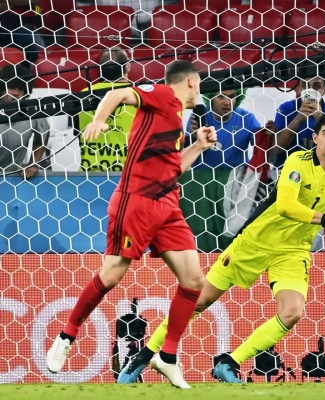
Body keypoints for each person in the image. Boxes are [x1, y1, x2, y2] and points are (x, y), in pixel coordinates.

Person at [116, 114, 325, 384]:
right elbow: (286, 206)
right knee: (199, 301)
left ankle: (228, 363)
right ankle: (144, 356)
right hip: (256, 242)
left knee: (292, 312)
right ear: (315, 138)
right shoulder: (298, 162)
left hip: (293, 252)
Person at [45, 60, 218, 389]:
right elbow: (120, 94)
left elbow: (173, 169)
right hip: (137, 201)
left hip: (168, 205)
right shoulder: (163, 95)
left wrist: (198, 146)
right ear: (192, 82)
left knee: (194, 281)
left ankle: (167, 357)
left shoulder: (175, 119)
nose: (201, 94)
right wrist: (99, 119)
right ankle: (66, 337)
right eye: (200, 86)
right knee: (112, 274)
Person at [179, 88, 262, 252]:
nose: (227, 102)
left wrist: (269, 135)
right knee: (202, 226)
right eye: (221, 97)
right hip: (201, 182)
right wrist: (194, 137)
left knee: (231, 225)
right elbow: (185, 148)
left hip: (233, 181)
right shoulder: (201, 117)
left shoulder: (247, 118)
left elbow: (262, 148)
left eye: (232, 96)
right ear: (210, 98)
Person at [77, 47, 136, 172]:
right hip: (129, 172)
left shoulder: (84, 94)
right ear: (127, 67)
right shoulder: (138, 95)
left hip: (90, 171)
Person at [272, 75, 325, 168]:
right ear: (299, 89)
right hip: (288, 168)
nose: (310, 90)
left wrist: (320, 118)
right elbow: (277, 149)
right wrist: (298, 119)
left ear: (324, 90)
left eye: (316, 86)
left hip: (320, 168)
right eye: (304, 86)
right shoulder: (285, 109)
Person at [0, 64, 50, 178]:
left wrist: (34, 163)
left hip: (11, 177)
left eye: (21, 89)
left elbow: (44, 134)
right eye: (12, 87)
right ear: (2, 88)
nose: (16, 93)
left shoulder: (32, 110)